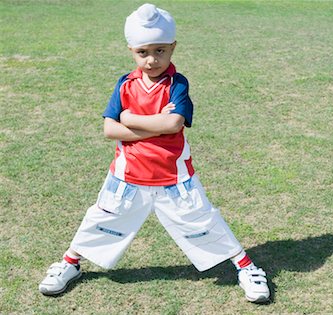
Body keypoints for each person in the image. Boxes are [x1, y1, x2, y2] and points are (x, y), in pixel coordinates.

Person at [39, 3, 270, 303]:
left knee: (203, 221)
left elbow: (173, 123)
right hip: (128, 176)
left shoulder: (177, 84)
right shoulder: (125, 84)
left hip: (174, 178)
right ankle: (70, 264)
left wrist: (131, 119)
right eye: (143, 52)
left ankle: (245, 267)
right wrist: (154, 125)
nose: (152, 60)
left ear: (173, 47)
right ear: (131, 50)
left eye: (160, 51)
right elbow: (110, 129)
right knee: (100, 220)